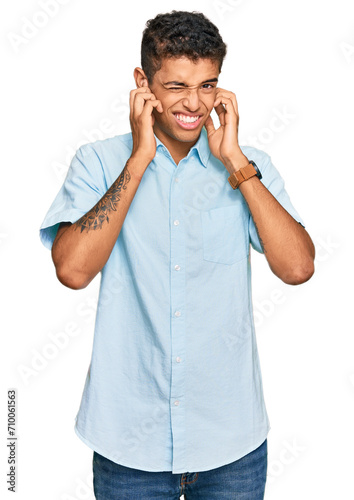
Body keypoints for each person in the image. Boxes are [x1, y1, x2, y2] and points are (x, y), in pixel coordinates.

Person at [39, 10, 315, 500]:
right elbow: (73, 270)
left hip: (230, 443)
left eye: (207, 86)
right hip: (129, 443)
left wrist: (234, 160)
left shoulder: (250, 166)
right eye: (176, 86)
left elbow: (297, 268)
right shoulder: (98, 162)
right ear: (142, 83)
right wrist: (140, 156)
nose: (194, 103)